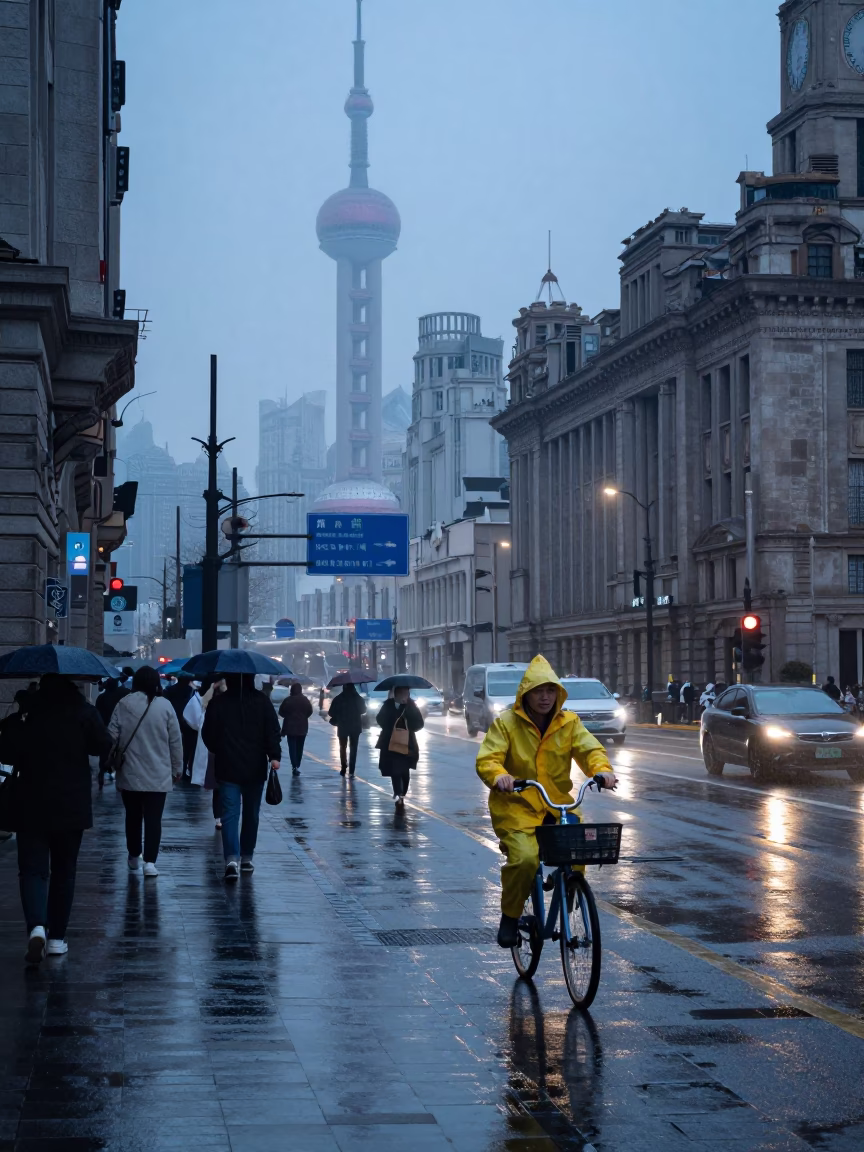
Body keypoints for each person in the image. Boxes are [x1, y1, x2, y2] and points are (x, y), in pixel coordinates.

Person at [475, 655, 618, 949]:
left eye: (550, 691)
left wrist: (602, 771)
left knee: (581, 848)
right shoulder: (506, 723)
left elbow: (590, 749)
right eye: (538, 691)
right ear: (526, 693)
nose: (544, 697)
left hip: (556, 806)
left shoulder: (569, 722)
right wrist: (500, 776)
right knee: (525, 860)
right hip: (516, 808)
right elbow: (488, 758)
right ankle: (510, 917)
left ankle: (568, 895)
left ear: (558, 693)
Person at [0, 674, 113, 963]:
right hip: (70, 803)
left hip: (30, 801)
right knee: (65, 871)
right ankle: (57, 939)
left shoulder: (27, 713)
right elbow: (103, 746)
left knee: (32, 870)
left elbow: (7, 753)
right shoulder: (83, 711)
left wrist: (14, 718)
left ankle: (37, 926)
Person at [202, 674, 281, 881]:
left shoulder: (218, 703)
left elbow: (207, 734)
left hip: (227, 766)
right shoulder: (262, 701)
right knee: (251, 813)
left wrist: (219, 748)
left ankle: (231, 859)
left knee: (229, 814)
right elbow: (273, 730)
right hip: (255, 767)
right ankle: (247, 857)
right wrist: (274, 755)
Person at [108, 665, 183, 879]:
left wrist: (108, 759)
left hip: (130, 771)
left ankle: (134, 855)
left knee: (132, 816)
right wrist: (177, 768)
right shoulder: (165, 706)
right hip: (159, 773)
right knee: (153, 819)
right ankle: (150, 862)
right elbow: (175, 741)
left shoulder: (124, 704)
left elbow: (111, 735)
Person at [184, 677, 226, 827]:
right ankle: (222, 816)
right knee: (226, 786)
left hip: (213, 751)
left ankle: (218, 818)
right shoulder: (228, 704)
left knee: (218, 787)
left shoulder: (205, 704)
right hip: (226, 751)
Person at [376, 687, 424, 804]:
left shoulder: (411, 706)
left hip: (407, 743)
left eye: (407, 693)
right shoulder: (388, 705)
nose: (405, 696)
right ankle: (398, 792)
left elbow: (419, 723)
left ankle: (402, 793)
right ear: (396, 694)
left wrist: (408, 710)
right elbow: (380, 720)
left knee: (405, 770)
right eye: (402, 693)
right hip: (391, 742)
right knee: (395, 770)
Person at [94, 676, 130, 789]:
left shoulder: (101, 698)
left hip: (105, 730)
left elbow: (97, 715)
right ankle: (119, 777)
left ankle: (101, 774)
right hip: (122, 729)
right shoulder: (123, 695)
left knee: (104, 755)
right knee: (121, 754)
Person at [327, 682, 367, 776]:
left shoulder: (338, 698)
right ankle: (352, 769)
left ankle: (343, 766)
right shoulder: (358, 698)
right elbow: (363, 710)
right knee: (354, 748)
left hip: (343, 726)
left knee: (342, 747)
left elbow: (331, 713)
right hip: (355, 727)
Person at [163, 674, 197, 778]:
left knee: (174, 744)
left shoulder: (170, 690)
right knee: (189, 746)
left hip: (174, 719)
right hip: (188, 721)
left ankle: (176, 767)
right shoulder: (192, 691)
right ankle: (189, 768)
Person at [279, 683, 313, 775]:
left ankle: (294, 765)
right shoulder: (305, 700)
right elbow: (310, 711)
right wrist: (303, 717)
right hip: (302, 728)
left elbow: (281, 712)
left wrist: (288, 716)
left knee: (292, 747)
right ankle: (297, 764)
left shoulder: (288, 700)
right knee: (299, 747)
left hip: (290, 728)